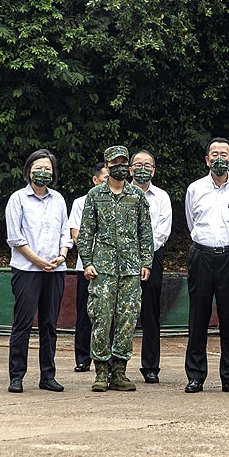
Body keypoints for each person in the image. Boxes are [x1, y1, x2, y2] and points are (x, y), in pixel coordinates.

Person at [77, 145, 153, 392]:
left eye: (124, 162)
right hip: (103, 268)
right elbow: (86, 232)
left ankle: (119, 371)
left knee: (127, 320)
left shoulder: (137, 196)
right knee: (101, 318)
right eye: (115, 163)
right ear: (107, 166)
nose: (120, 167)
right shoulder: (94, 195)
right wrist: (87, 262)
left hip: (131, 268)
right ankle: (100, 371)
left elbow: (145, 232)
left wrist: (146, 262)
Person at [183, 137, 229, 394]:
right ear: (207, 159)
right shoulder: (195, 189)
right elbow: (192, 223)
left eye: (224, 154)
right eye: (214, 154)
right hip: (201, 256)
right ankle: (196, 375)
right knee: (198, 316)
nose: (219, 158)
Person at [5, 149, 71, 394]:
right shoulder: (18, 199)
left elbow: (66, 231)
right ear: (28, 170)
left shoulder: (58, 200)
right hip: (27, 269)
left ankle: (48, 375)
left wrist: (62, 256)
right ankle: (16, 376)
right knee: (22, 324)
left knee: (49, 324)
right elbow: (15, 236)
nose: (42, 172)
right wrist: (37, 260)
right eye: (38, 168)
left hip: (55, 269)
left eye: (47, 169)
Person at [130, 149, 172, 384]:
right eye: (138, 164)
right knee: (119, 312)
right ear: (130, 169)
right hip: (122, 259)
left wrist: (144, 256)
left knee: (150, 312)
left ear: (154, 170)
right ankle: (116, 365)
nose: (142, 168)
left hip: (152, 257)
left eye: (147, 165)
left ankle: (151, 366)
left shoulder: (162, 197)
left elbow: (162, 232)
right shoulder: (120, 193)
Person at [68, 161, 108, 372]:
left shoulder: (120, 201)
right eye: (104, 179)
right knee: (84, 314)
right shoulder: (81, 202)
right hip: (86, 266)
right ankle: (83, 358)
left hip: (112, 269)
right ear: (95, 180)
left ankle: (108, 359)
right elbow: (76, 234)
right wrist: (91, 258)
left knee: (109, 314)